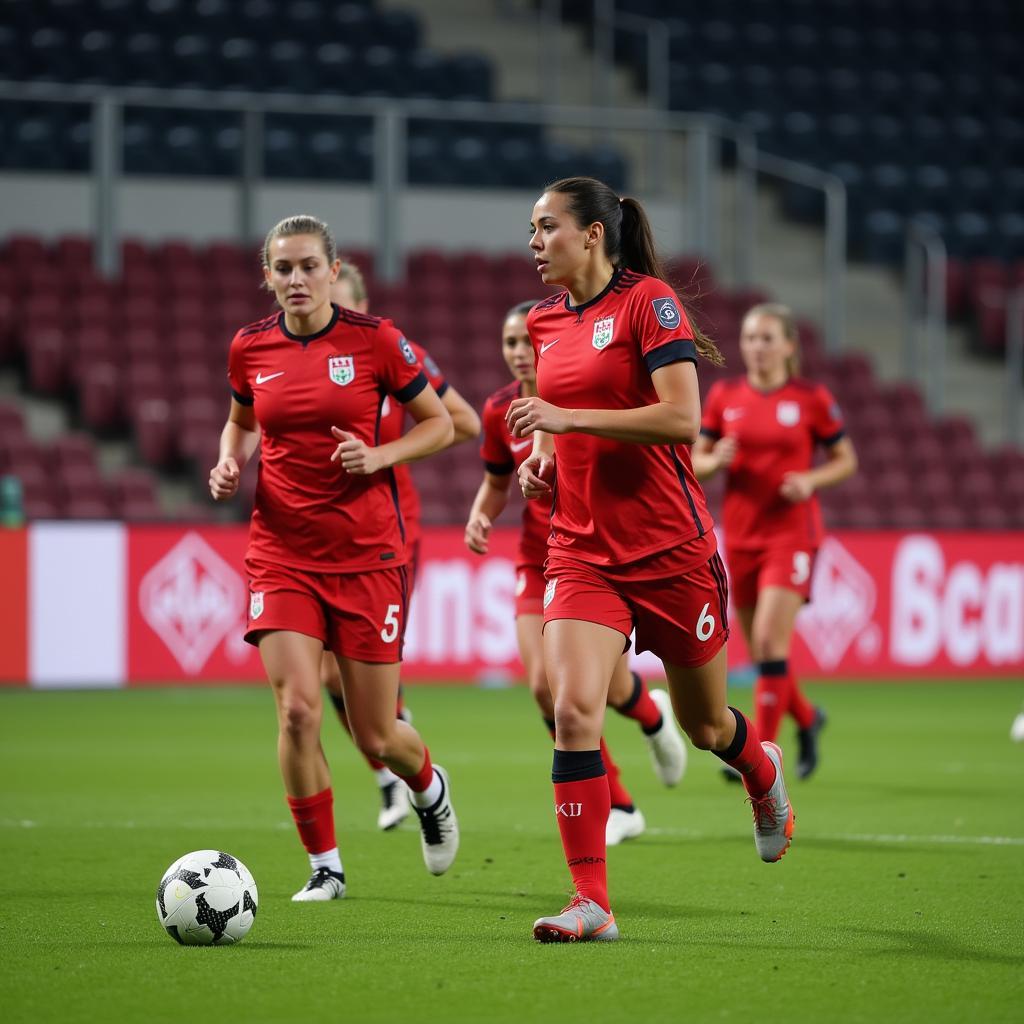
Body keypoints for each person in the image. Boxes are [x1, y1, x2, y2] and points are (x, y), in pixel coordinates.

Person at [510, 176, 794, 944]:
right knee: (572, 709)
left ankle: (761, 772)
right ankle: (591, 902)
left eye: (546, 227)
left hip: (672, 550)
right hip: (582, 551)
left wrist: (568, 417)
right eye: (531, 229)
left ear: (593, 234)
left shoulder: (649, 302)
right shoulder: (541, 321)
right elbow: (552, 417)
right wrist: (543, 453)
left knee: (705, 727)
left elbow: (681, 418)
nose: (533, 241)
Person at [209, 215, 460, 902]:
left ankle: (430, 790)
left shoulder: (375, 341)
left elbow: (441, 423)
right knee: (297, 709)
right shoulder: (248, 347)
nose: (296, 279)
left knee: (379, 734)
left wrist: (379, 455)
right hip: (281, 552)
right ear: (267, 274)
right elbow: (242, 419)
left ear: (332, 268)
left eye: (308, 266)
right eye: (283, 268)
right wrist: (231, 460)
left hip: (367, 555)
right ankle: (326, 866)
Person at [465, 300, 688, 847]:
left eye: (526, 341)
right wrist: (481, 512)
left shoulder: (584, 393)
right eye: (510, 343)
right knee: (546, 687)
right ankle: (621, 805)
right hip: (535, 560)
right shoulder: (501, 411)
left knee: (604, 690)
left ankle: (654, 718)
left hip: (594, 556)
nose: (520, 352)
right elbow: (497, 480)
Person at [320, 261, 480, 832]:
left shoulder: (386, 352)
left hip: (389, 531)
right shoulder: (303, 359)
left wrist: (387, 454)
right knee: (326, 677)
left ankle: (400, 770)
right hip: (320, 538)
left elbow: (461, 422)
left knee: (353, 673)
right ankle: (393, 774)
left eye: (336, 302)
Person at [691, 304, 858, 781]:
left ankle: (760, 755)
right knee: (766, 653)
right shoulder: (725, 395)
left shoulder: (811, 397)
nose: (756, 348)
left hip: (792, 535)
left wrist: (810, 480)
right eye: (749, 338)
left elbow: (846, 459)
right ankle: (808, 718)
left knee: (768, 639)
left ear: (788, 346)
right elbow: (695, 461)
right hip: (741, 537)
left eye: (766, 338)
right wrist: (715, 460)